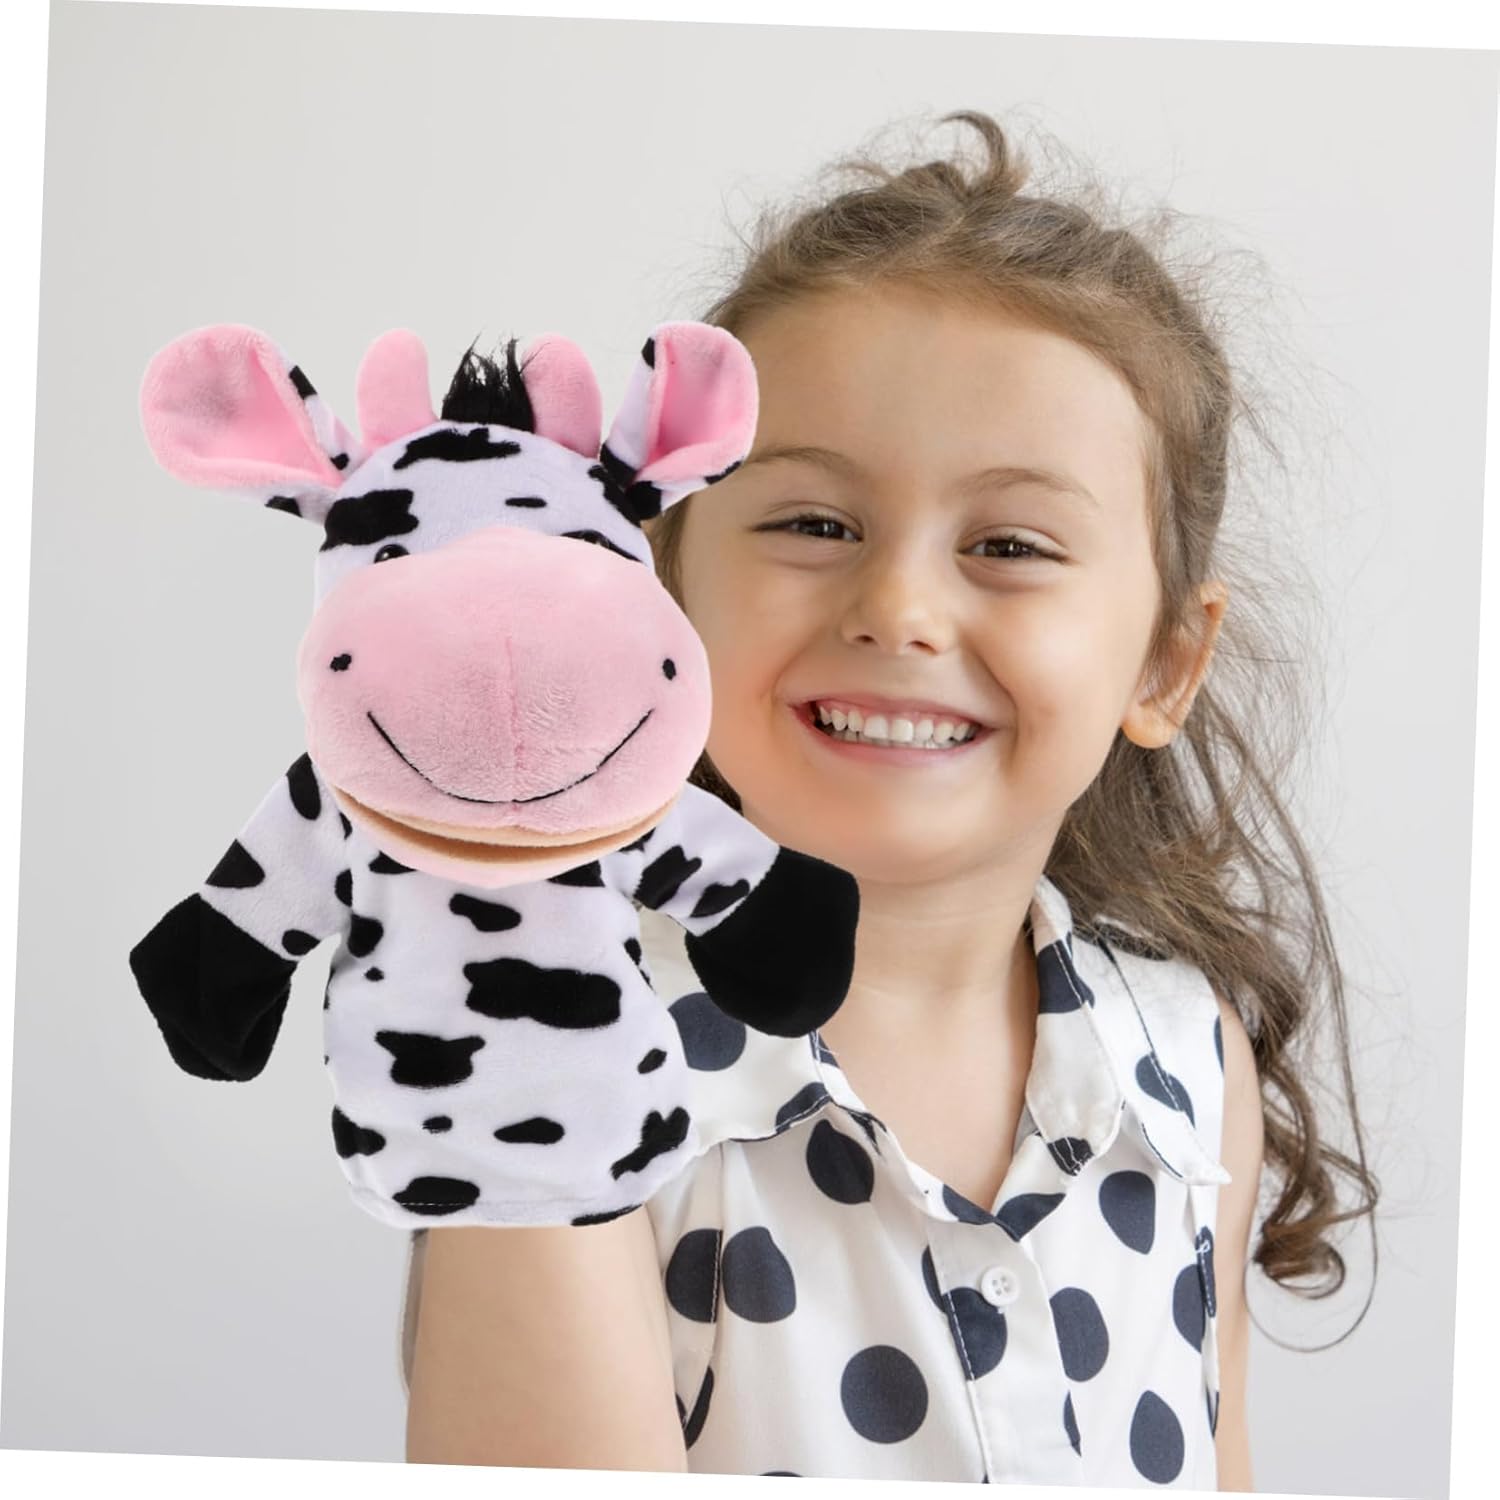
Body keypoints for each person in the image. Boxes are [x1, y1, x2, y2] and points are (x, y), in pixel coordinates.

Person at [400, 109, 1377, 1487]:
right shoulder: (555, 1069)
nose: (900, 606)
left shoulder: (1187, 1059)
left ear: (1166, 663)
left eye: (1011, 545)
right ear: (664, 594)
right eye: (814, 523)